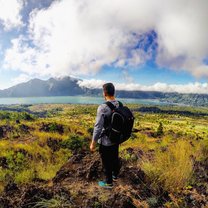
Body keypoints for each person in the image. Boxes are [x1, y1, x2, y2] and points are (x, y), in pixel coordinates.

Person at [90, 83, 121, 189]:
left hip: (106, 140)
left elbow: (98, 127)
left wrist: (93, 143)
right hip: (116, 138)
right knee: (114, 157)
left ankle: (109, 183)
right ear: (114, 92)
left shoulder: (103, 107)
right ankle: (115, 176)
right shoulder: (119, 104)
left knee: (106, 161)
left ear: (104, 93)